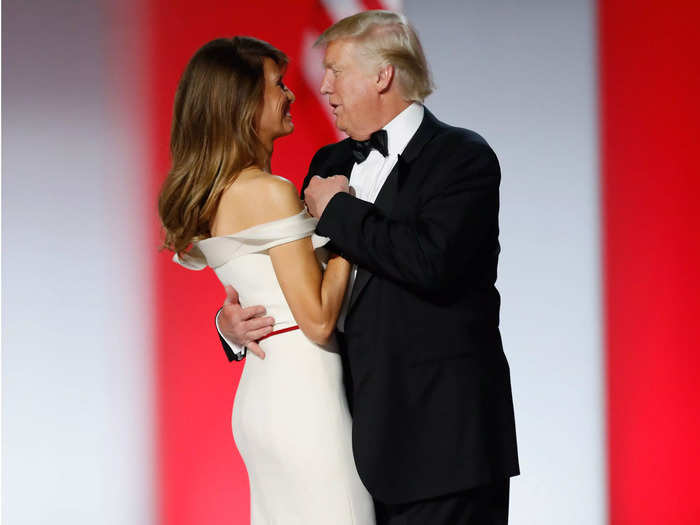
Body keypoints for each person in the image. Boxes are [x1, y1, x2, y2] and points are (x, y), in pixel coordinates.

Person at [218, 11, 520, 525]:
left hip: (445, 448)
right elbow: (302, 280)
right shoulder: (328, 162)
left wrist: (340, 211)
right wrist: (229, 326)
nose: (324, 86)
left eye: (335, 70)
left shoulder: (462, 157)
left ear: (383, 76)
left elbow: (433, 262)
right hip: (348, 445)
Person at [158, 36, 376, 524]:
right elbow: (318, 320)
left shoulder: (218, 191)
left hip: (264, 397)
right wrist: (348, 223)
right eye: (278, 85)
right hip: (305, 400)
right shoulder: (268, 192)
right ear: (242, 105)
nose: (292, 94)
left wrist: (223, 322)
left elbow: (256, 295)